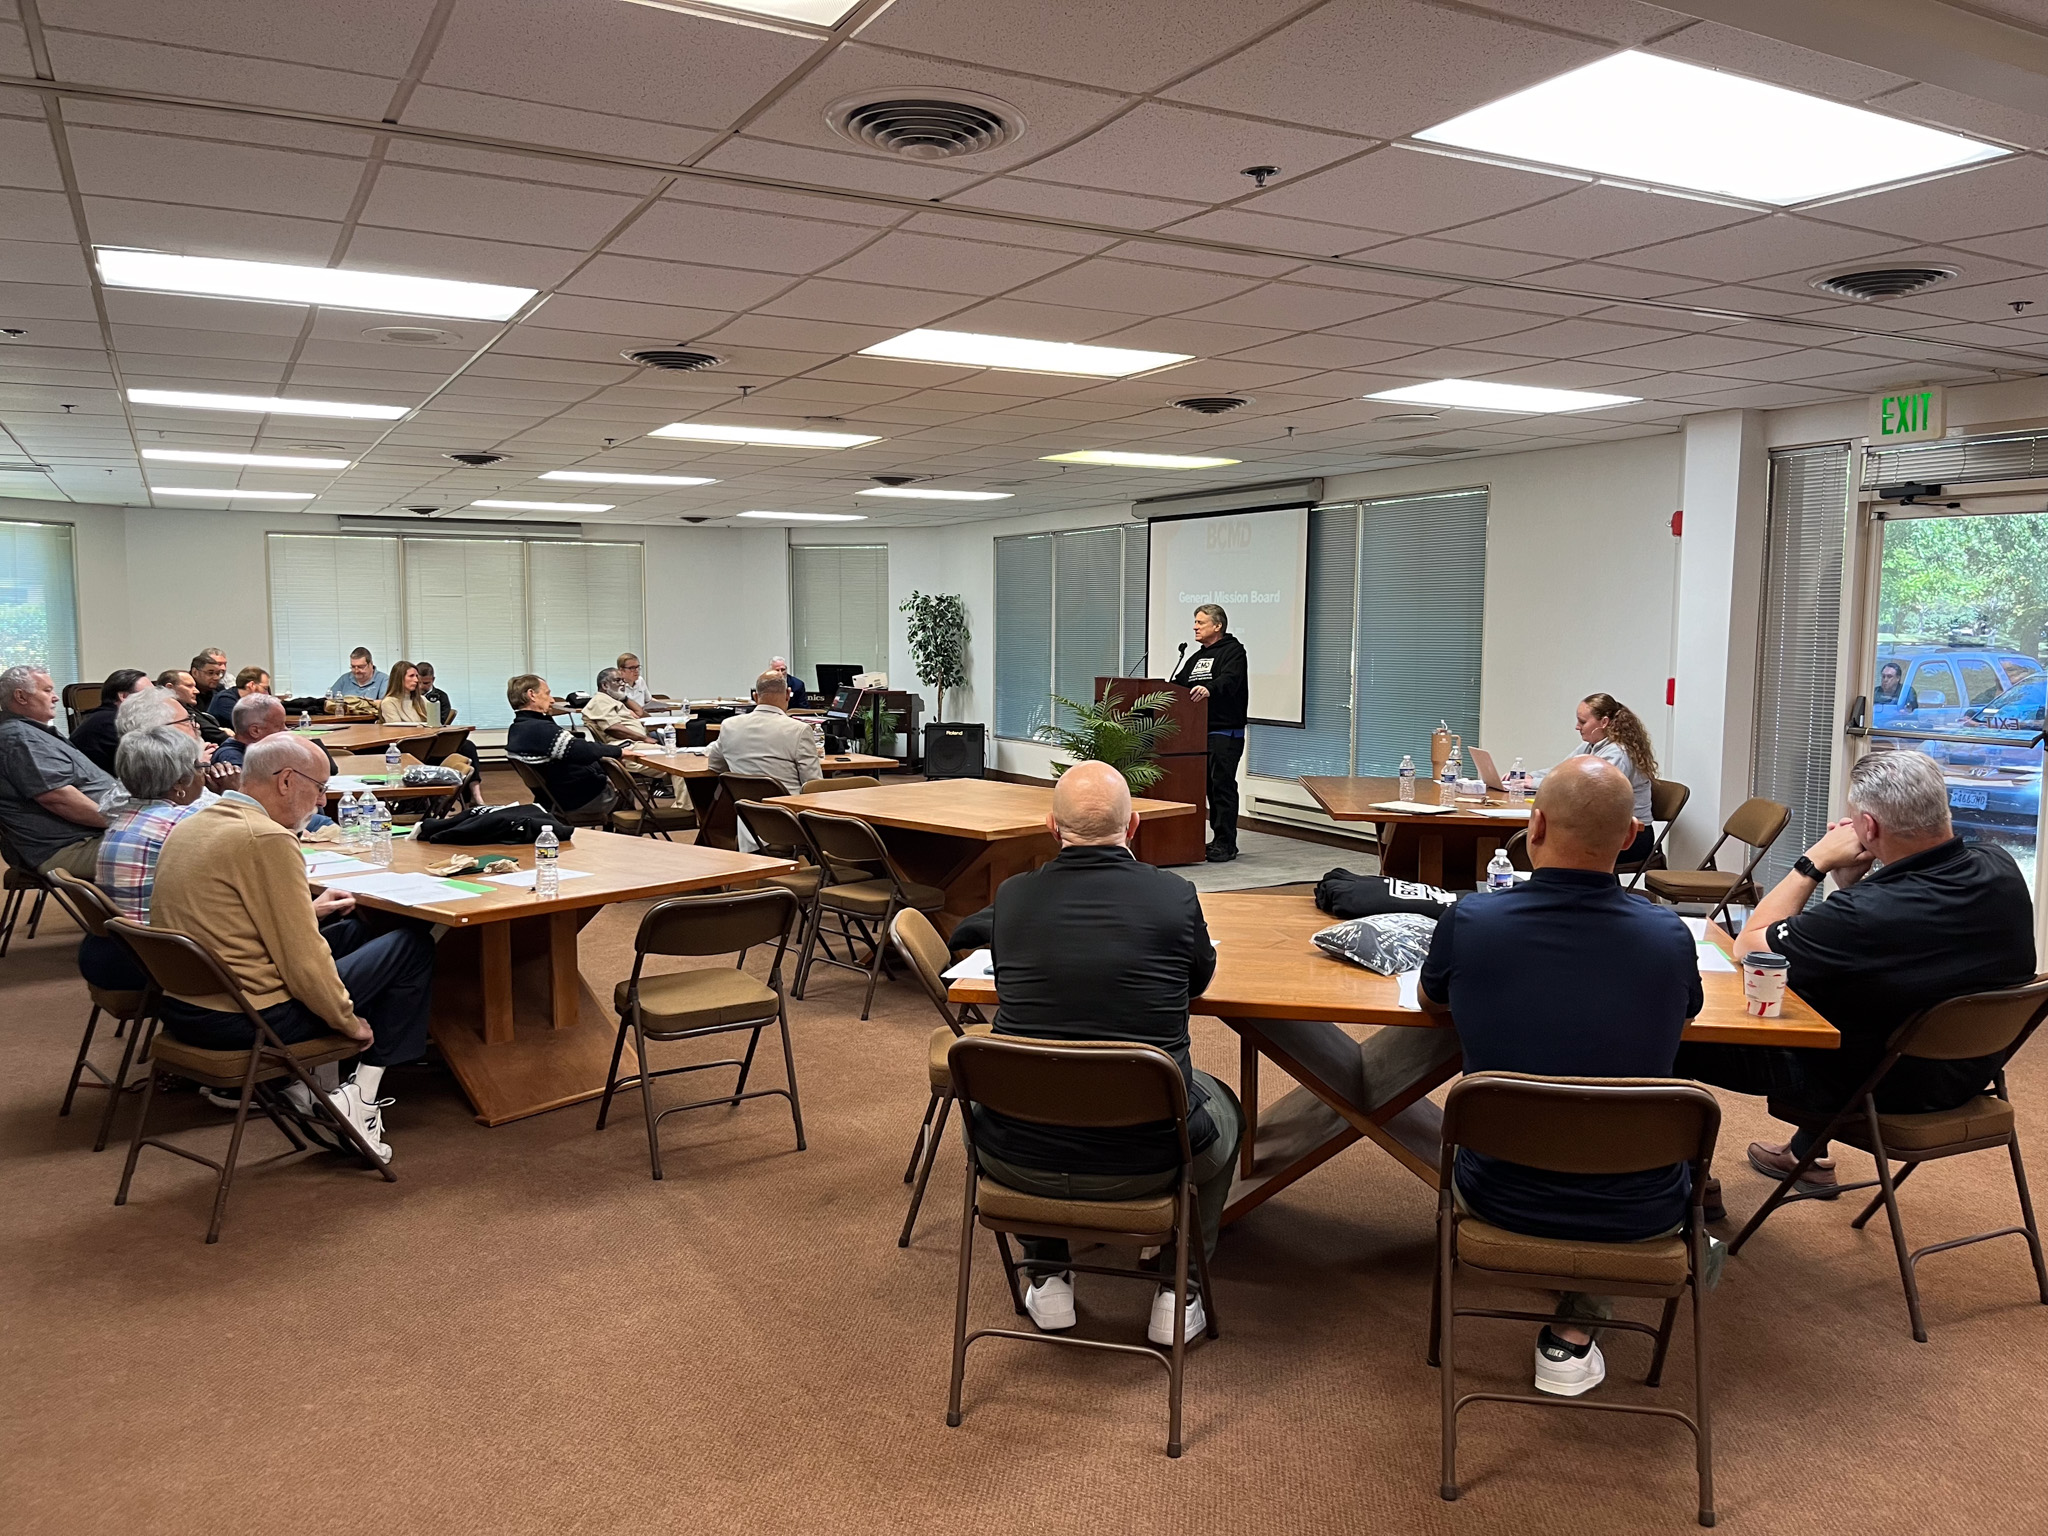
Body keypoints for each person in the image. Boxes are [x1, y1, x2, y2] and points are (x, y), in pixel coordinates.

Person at [1420, 754, 1704, 1399]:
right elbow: (1687, 1009)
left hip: (1497, 1194)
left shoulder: (1472, 921)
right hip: (1644, 1208)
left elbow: (1432, 1003)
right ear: (1632, 837)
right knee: (1616, 1121)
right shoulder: (1668, 935)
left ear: (1535, 824)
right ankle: (1573, 1334)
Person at [1678, 749, 2034, 1197]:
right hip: (1966, 1075)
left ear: (1869, 827)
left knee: (1672, 1033)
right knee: (1866, 997)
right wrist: (1855, 887)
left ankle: (1683, 1181)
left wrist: (1814, 863)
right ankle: (1807, 1156)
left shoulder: (1866, 916)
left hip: (1869, 1088)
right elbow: (1893, 938)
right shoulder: (2000, 867)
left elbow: (1751, 946)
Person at [971, 760, 1239, 1346]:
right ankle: (1179, 1290)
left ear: (1051, 828)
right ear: (1135, 825)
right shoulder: (1175, 896)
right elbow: (1197, 982)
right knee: (1227, 1109)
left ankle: (1046, 1276)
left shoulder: (1012, 899)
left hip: (1013, 1156)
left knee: (1036, 1079)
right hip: (1151, 1159)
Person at [150, 734, 436, 1160]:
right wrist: (348, 1021)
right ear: (286, 781)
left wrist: (309, 914)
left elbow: (232, 920)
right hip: (250, 1018)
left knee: (353, 932)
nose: (322, 803)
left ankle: (299, 1085)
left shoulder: (194, 824)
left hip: (185, 1006)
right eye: (319, 788)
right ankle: (360, 1094)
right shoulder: (267, 838)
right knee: (411, 944)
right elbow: (302, 963)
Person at [79, 725, 208, 993]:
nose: (203, 771)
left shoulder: (122, 817)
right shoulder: (184, 825)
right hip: (157, 962)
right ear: (179, 783)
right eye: (198, 765)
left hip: (115, 951)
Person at [0, 664, 121, 877]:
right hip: (68, 846)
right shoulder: (21, 739)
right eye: (47, 691)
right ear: (20, 697)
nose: (55, 697)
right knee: (174, 850)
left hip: (87, 836)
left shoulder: (31, 732)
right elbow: (59, 799)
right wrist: (127, 822)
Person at [1169, 603, 1249, 863]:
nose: (1195, 626)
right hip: (1197, 733)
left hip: (1225, 732)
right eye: (1195, 622)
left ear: (1218, 626)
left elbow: (1230, 680)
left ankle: (1226, 844)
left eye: (1200, 622)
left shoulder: (1233, 652)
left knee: (1221, 788)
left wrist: (1209, 689)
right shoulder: (1195, 657)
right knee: (1203, 788)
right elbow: (1179, 686)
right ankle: (1207, 840)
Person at [507, 674, 623, 817]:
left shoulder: (518, 727)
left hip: (552, 800)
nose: (552, 700)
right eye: (547, 694)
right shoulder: (540, 729)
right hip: (578, 800)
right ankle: (619, 837)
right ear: (532, 695)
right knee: (626, 792)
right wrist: (620, 751)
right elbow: (584, 751)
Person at [1573, 692, 1658, 868]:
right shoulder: (1590, 746)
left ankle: (1592, 894)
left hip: (1632, 837)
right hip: (1607, 831)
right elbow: (1561, 772)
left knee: (1558, 848)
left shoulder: (1617, 754)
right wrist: (1527, 779)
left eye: (1582, 722)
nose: (1577, 727)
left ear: (1604, 722)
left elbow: (1594, 793)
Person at [708, 670, 821, 797]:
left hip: (747, 813)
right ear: (788, 694)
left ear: (755, 697)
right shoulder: (799, 730)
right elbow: (813, 785)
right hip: (789, 812)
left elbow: (715, 765)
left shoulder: (729, 726)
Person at [69, 668, 153, 774]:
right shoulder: (109, 723)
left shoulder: (104, 718)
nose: (156, 700)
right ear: (124, 696)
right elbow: (146, 765)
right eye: (148, 694)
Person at [157, 668, 226, 743]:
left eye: (194, 686)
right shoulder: (165, 711)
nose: (197, 691)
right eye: (189, 686)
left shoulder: (187, 705)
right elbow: (213, 734)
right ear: (170, 688)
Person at [379, 660, 439, 727]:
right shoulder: (389, 703)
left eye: (416, 676)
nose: (416, 680)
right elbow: (396, 731)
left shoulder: (422, 699)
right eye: (411, 676)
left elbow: (435, 725)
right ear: (399, 678)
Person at [189, 648, 229, 716]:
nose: (216, 678)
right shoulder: (185, 689)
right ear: (195, 672)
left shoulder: (219, 689)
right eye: (210, 673)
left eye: (218, 673)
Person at [416, 662, 455, 726]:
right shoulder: (408, 696)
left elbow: (442, 722)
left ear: (433, 679)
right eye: (418, 682)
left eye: (426, 683)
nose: (421, 686)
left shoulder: (442, 697)